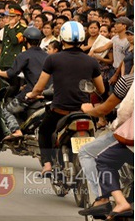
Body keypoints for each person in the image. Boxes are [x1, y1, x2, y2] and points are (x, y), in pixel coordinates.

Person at [26, 21, 105, 176]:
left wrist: (32, 94)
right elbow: (101, 89)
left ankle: (47, 164)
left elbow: (40, 87)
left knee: (44, 131)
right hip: (84, 112)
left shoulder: (53, 59)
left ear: (62, 38)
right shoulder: (92, 61)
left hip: (60, 111)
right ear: (82, 39)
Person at [78, 74, 133, 217]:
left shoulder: (128, 81)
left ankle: (102, 199)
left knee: (92, 155)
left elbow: (122, 111)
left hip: (129, 138)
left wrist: (89, 111)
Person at [0, 26, 48, 140]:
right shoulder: (47, 56)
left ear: (25, 40)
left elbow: (10, 74)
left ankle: (16, 131)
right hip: (48, 92)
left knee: (7, 110)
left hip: (32, 91)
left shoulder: (24, 55)